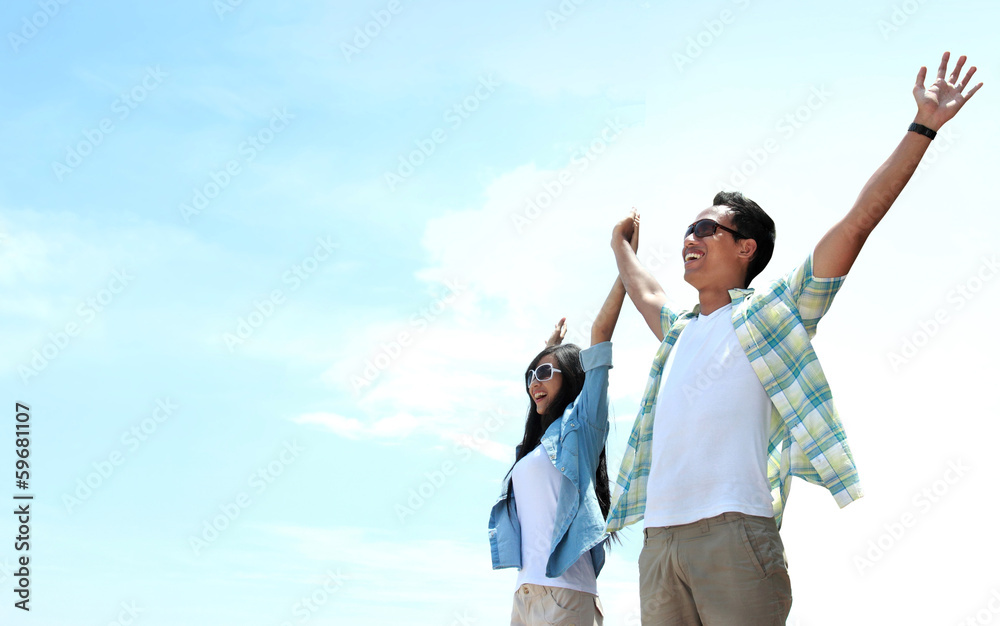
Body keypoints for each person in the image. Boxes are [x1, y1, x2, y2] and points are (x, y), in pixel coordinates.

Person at [605, 52, 982, 624]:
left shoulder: (779, 310)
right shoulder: (679, 333)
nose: (691, 237)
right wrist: (620, 247)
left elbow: (858, 221)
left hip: (734, 532)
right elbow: (645, 292)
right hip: (659, 544)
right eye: (687, 230)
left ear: (744, 247)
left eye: (706, 228)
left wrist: (923, 126)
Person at [488, 211, 640, 626]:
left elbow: (601, 334)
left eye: (544, 375)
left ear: (571, 380)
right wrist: (546, 353)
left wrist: (625, 261)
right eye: (529, 377)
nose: (534, 384)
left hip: (568, 593)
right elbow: (540, 396)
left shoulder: (584, 426)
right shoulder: (536, 446)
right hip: (526, 591)